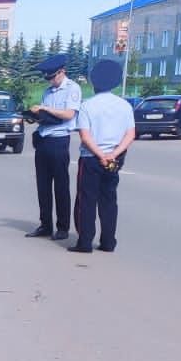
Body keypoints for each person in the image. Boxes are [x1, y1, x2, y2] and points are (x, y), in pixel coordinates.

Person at [68, 59, 136, 254]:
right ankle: (108, 242)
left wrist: (100, 155)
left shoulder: (87, 106)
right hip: (115, 159)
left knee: (86, 200)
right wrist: (113, 154)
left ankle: (85, 242)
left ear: (94, 81)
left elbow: (85, 135)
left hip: (91, 158)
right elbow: (130, 134)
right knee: (109, 199)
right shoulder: (124, 106)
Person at [25, 54, 82, 240]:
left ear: (62, 72)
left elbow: (69, 114)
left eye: (52, 77)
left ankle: (63, 227)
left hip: (59, 141)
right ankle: (45, 225)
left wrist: (45, 110)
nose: (50, 80)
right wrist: (34, 116)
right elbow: (46, 116)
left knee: (61, 186)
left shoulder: (73, 89)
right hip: (43, 139)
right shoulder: (48, 92)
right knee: (43, 185)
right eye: (47, 78)